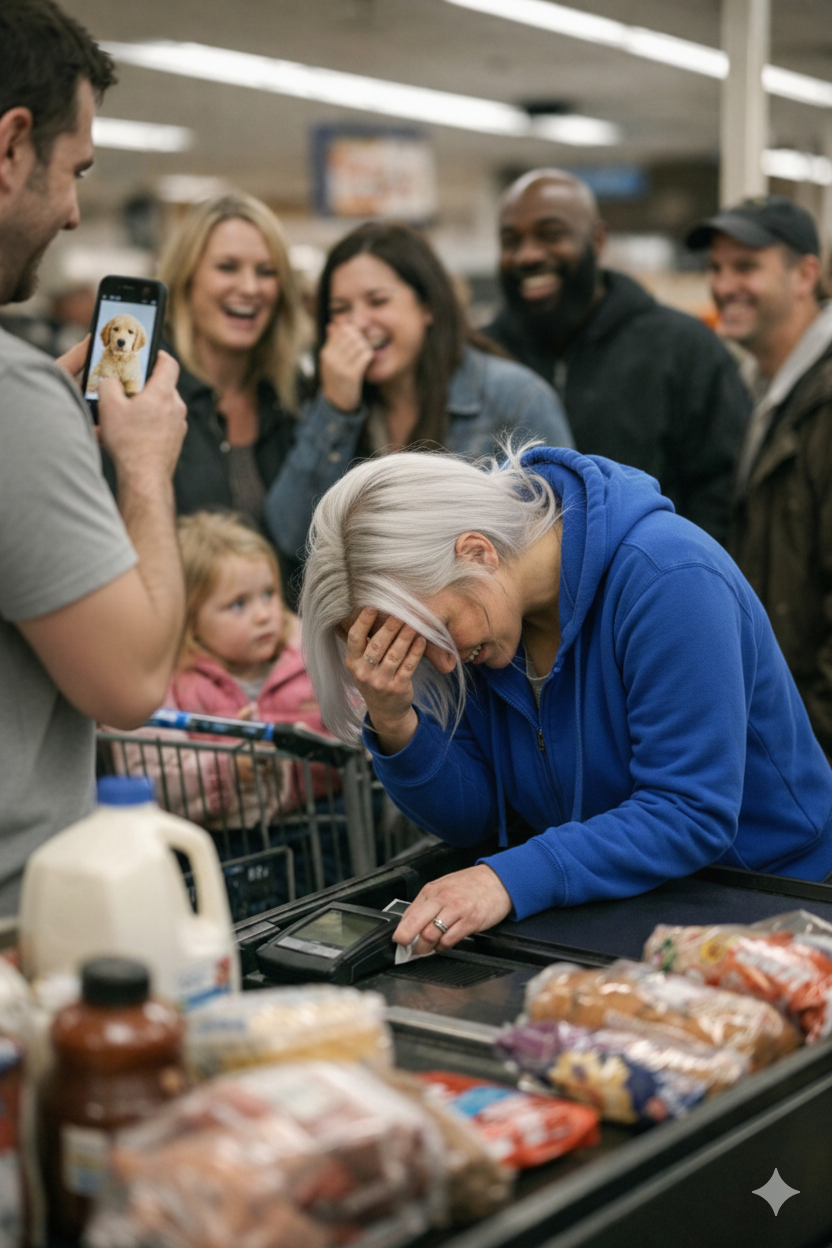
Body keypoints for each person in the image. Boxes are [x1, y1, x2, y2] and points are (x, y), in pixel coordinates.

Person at [300, 444, 832, 954]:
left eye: (439, 631)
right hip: (620, 908)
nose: (441, 662)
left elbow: (689, 811)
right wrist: (395, 719)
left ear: (478, 552)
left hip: (772, 904)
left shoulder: (669, 577)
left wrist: (506, 880)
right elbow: (474, 818)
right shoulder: (479, 628)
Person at [0, 0, 187, 913]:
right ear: (11, 147)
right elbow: (132, 682)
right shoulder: (12, 396)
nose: (74, 213)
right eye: (74, 171)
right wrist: (143, 466)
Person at [264, 220, 573, 566]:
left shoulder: (515, 397)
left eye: (377, 301)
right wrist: (336, 410)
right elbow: (291, 535)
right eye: (340, 310)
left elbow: (565, 540)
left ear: (427, 306)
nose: (359, 323)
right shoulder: (329, 404)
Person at [483, 169, 751, 545]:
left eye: (551, 235)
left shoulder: (684, 348)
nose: (527, 255)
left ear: (597, 239)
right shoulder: (482, 359)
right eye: (511, 241)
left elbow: (722, 493)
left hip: (651, 590)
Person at [687, 196, 832, 761]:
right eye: (716, 269)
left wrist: (810, 739)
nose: (724, 286)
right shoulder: (762, 389)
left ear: (805, 275)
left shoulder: (824, 398)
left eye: (745, 267)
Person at [119, 510, 332, 828]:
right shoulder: (171, 683)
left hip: (325, 822)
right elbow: (154, 776)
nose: (264, 615)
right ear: (189, 618)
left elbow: (354, 731)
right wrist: (231, 768)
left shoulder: (311, 653)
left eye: (268, 594)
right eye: (238, 604)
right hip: (223, 841)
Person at [148, 193, 310, 594]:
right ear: (186, 279)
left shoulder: (296, 398)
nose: (250, 287)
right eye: (227, 268)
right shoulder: (147, 397)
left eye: (267, 271)